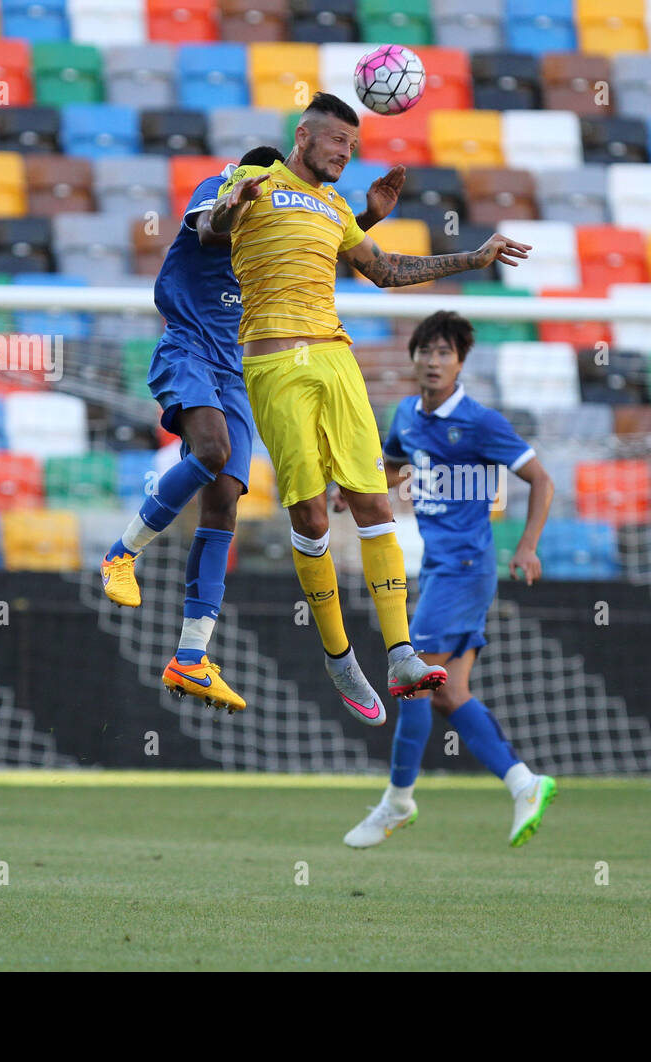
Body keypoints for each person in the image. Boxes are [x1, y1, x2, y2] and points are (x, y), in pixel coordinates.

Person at [207, 92, 532, 727]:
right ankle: (338, 655)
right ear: (305, 135)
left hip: (335, 356)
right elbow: (207, 230)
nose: (346, 154)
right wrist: (227, 207)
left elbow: (383, 271)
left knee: (374, 498)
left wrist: (471, 257)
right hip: (274, 363)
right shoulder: (253, 178)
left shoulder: (335, 208)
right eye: (337, 143)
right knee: (309, 512)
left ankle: (401, 651)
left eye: (352, 147)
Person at [99, 144, 405, 713]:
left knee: (223, 507)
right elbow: (215, 229)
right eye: (264, 185)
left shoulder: (275, 239)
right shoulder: (218, 194)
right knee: (212, 452)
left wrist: (361, 222)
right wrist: (237, 199)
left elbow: (310, 246)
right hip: (189, 349)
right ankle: (121, 553)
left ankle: (190, 659)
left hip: (240, 371)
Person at [340, 312, 557, 848]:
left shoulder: (481, 422)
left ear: (460, 363)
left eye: (445, 353)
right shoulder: (407, 417)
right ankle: (523, 782)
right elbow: (392, 468)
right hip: (439, 567)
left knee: (411, 682)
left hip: (465, 569)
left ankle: (397, 801)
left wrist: (527, 545)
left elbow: (541, 478)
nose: (434, 362)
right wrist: (354, 491)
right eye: (426, 352)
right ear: (413, 357)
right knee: (447, 693)